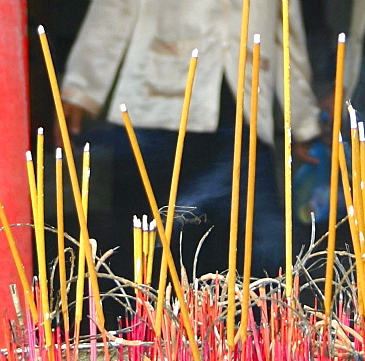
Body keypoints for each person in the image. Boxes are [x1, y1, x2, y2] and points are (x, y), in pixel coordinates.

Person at [58, 0, 322, 277]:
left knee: (251, 255)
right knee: (149, 248)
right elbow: (115, 6)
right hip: (159, 103)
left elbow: (286, 30)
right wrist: (81, 88)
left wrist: (303, 121)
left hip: (244, 109)